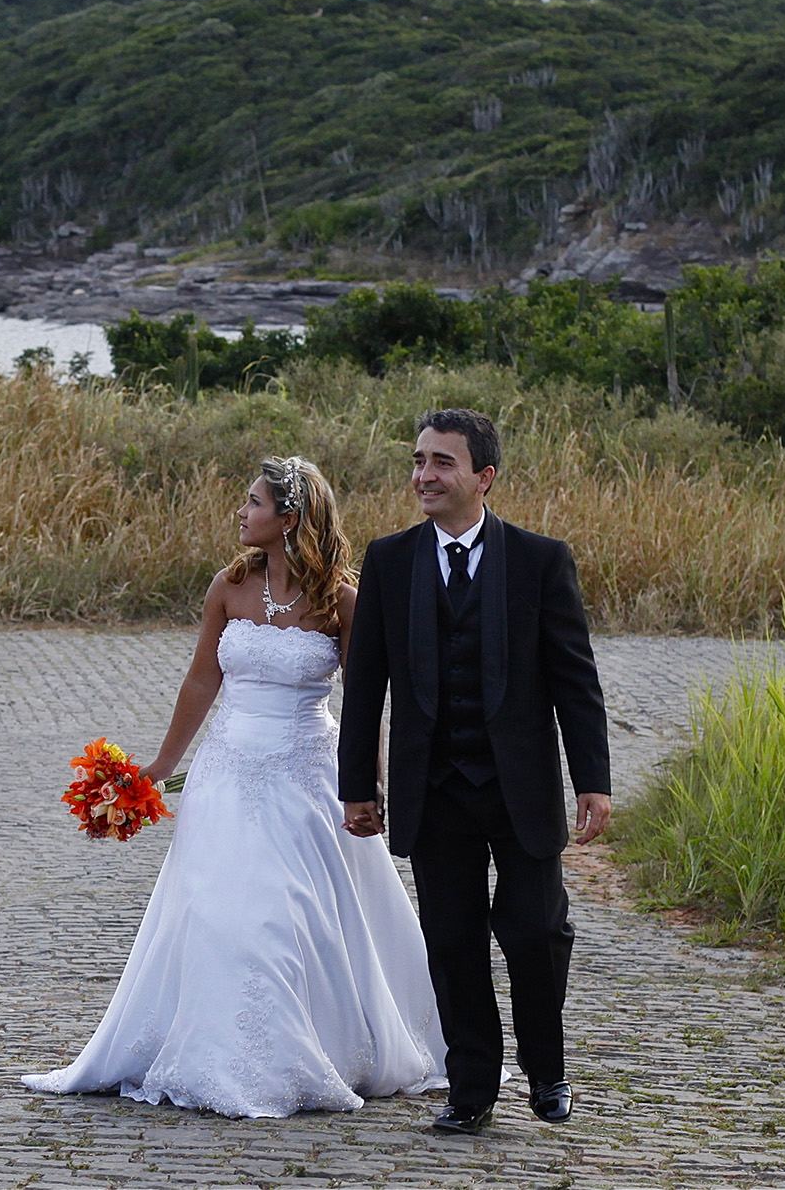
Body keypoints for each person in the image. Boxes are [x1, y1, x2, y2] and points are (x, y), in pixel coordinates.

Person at [23, 455, 445, 1119]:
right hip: (225, 774)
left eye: (251, 502)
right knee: (216, 913)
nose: (240, 513)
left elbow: (368, 700)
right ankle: (213, 1050)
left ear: (289, 516)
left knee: (286, 916)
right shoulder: (231, 584)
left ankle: (295, 1051)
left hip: (307, 775)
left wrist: (370, 783)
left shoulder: (345, 602)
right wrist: (160, 766)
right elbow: (201, 680)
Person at [338, 409, 611, 1136]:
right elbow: (364, 684)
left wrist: (593, 777)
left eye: (442, 463)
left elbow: (574, 679)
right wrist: (357, 787)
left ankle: (547, 1071)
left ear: (483, 477)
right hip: (434, 789)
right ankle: (471, 1090)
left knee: (535, 932)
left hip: (519, 787)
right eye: (419, 460)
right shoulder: (390, 560)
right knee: (453, 943)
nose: (424, 475)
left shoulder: (539, 559)